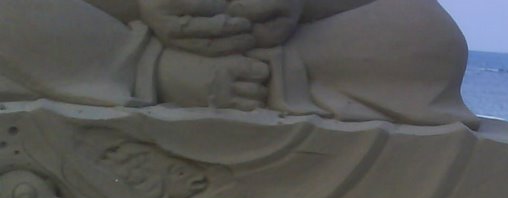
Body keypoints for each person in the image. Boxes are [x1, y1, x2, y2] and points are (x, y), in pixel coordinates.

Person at [0, 0, 478, 127]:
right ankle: (158, 73)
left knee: (428, 37)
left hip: (294, 49)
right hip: (113, 43)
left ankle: (268, 75)